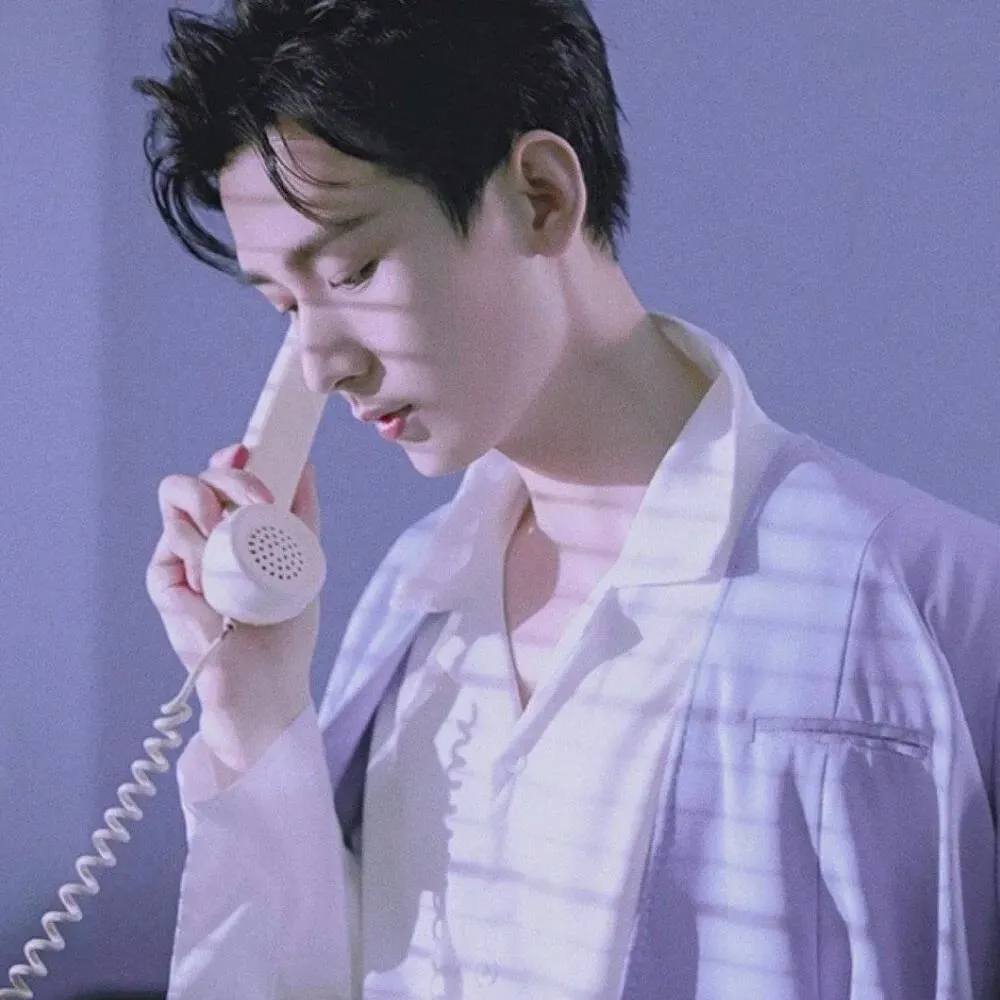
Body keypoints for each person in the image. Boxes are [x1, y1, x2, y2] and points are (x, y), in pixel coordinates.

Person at [134, 1, 1000, 998]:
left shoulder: (911, 602)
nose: (322, 361)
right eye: (286, 305)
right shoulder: (414, 607)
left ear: (541, 198)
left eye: (354, 269)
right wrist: (255, 707)